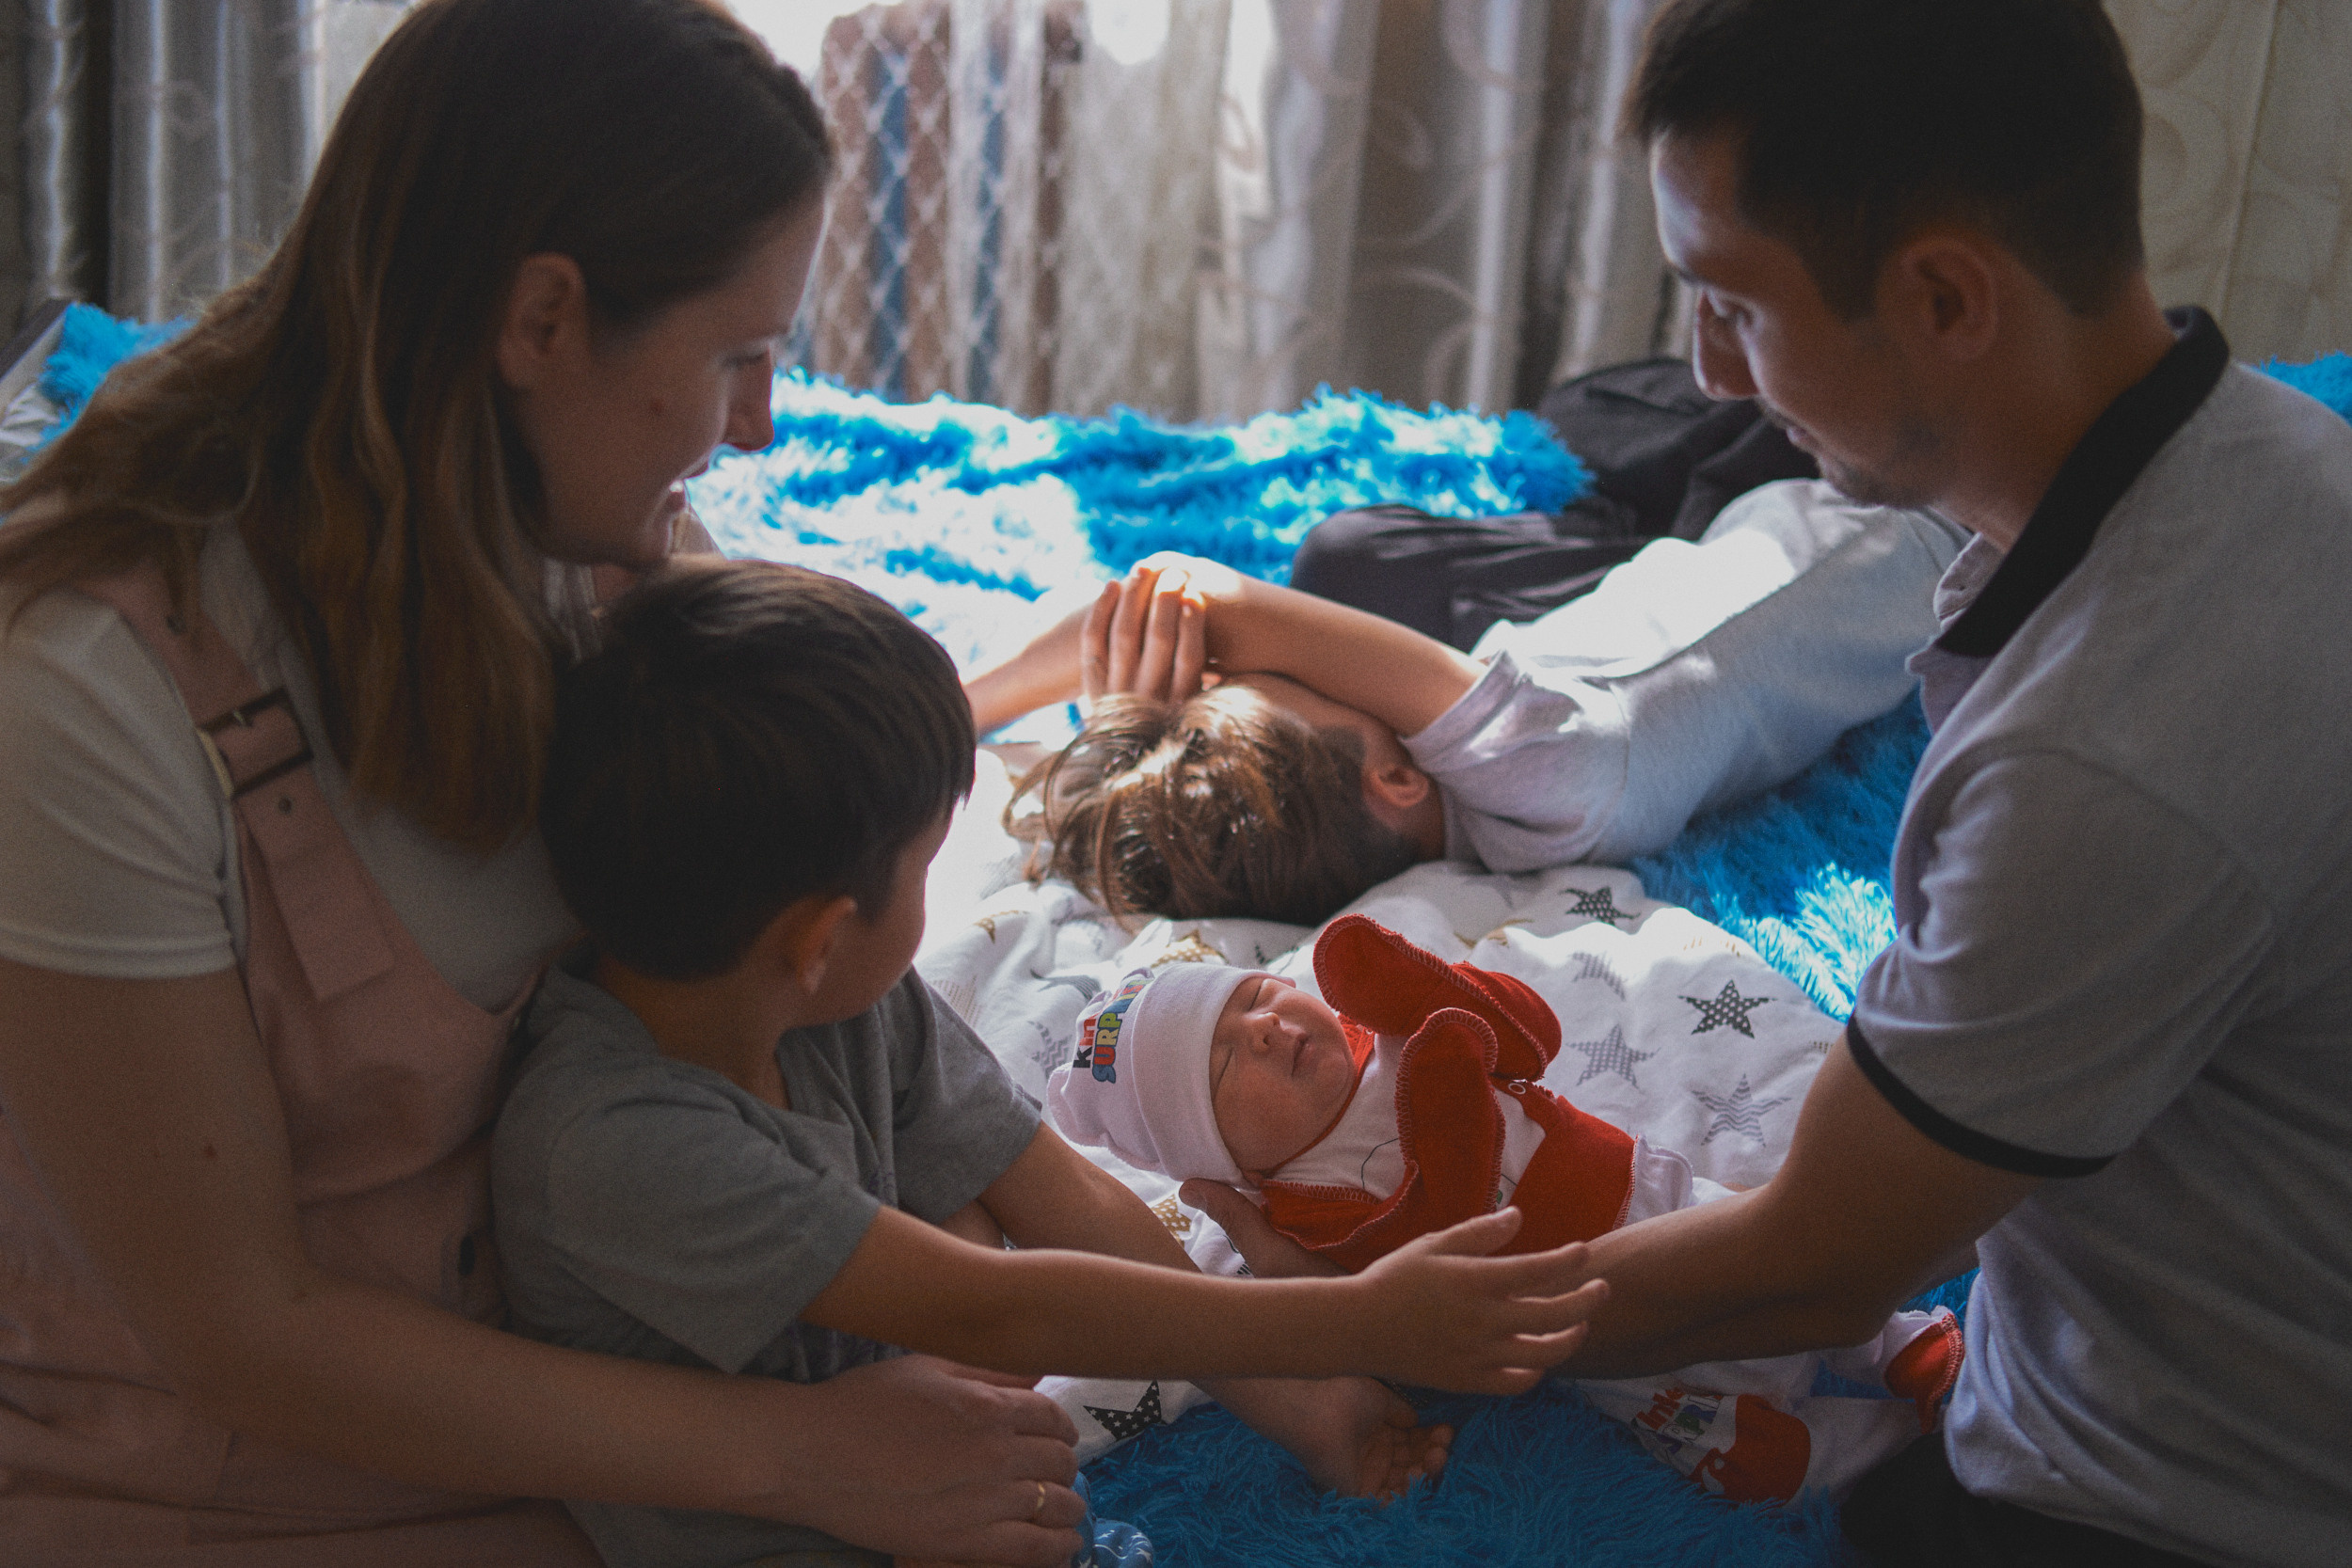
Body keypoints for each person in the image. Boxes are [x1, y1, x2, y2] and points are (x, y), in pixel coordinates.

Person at [0, 3, 1246, 1562]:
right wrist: (797, 1450)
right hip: (237, 1477)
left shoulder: (613, 578)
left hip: (634, 1404)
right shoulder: (83, 693)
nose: (758, 430)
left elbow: (837, 964)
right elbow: (240, 1328)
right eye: (735, 357)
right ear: (542, 321)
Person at [1182, 3, 2352, 1564]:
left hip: (2182, 1495)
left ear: (1945, 297)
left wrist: (1368, 1318)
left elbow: (1809, 1268)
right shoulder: (2274, 451)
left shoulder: (2104, 757)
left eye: (1733, 302)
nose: (1700, 366)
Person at [499, 558, 1609, 1566]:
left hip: (936, 1466)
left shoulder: (835, 1002)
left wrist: (1307, 1401)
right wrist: (1357, 1320)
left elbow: (1059, 1191)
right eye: (930, 863)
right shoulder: (618, 1141)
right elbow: (997, 1309)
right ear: (818, 935)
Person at [1043, 913, 1963, 1506]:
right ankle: (1866, 1457)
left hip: (1641, 1190)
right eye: (1220, 1065)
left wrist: (1425, 984)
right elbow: (1361, 1293)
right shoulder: (1303, 1206)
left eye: (1255, 996)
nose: (1266, 1027)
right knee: (1710, 1427)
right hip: (1582, 1324)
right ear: (1220, 1156)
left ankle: (1900, 1345)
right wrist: (1260, 1241)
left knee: (1779, 1251)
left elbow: (1530, 1037)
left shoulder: (1390, 1029)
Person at [965, 475, 1963, 924]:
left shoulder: (1433, 822)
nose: (1210, 674)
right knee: (1342, 557)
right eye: (1248, 682)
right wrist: (1091, 719)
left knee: (1345, 560)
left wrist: (1119, 746)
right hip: (1905, 513)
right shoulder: (1550, 768)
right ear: (1395, 775)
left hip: (1618, 598)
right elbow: (1192, 592)